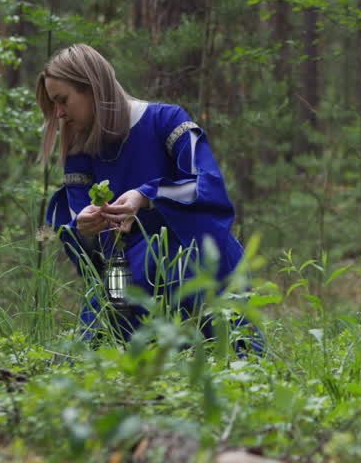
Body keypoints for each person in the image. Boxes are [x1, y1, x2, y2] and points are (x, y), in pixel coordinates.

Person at [37, 43, 252, 345]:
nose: (59, 114)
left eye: (63, 100)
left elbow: (207, 185)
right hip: (124, 283)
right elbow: (78, 227)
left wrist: (146, 196)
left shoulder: (166, 121)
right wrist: (85, 228)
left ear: (91, 87)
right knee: (106, 367)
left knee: (221, 362)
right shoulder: (80, 153)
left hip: (195, 263)